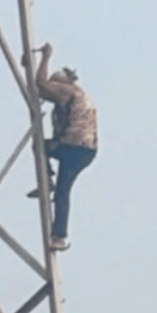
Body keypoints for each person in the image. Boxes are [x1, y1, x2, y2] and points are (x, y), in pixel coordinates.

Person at [28, 42, 97, 251]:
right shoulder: (76, 96)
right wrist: (27, 68)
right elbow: (39, 91)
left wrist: (46, 58)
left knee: (62, 188)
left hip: (74, 148)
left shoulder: (69, 92)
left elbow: (41, 84)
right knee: (61, 185)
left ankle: (59, 235)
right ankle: (48, 182)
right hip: (82, 149)